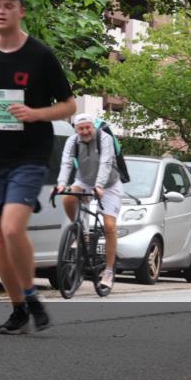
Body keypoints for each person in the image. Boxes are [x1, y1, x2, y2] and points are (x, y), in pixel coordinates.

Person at [0, 0, 77, 334]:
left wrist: (35, 113)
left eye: (8, 6)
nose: (0, 11)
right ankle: (19, 308)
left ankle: (30, 294)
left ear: (21, 12)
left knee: (13, 228)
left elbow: (69, 105)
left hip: (29, 155)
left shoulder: (40, 56)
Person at [55, 113, 123, 291]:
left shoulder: (104, 138)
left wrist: (99, 186)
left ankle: (108, 271)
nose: (85, 131)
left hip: (109, 184)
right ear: (75, 129)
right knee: (68, 198)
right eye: (81, 129)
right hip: (84, 181)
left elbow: (106, 163)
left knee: (109, 226)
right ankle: (81, 233)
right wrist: (61, 184)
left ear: (93, 127)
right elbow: (66, 163)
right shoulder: (72, 141)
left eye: (88, 128)